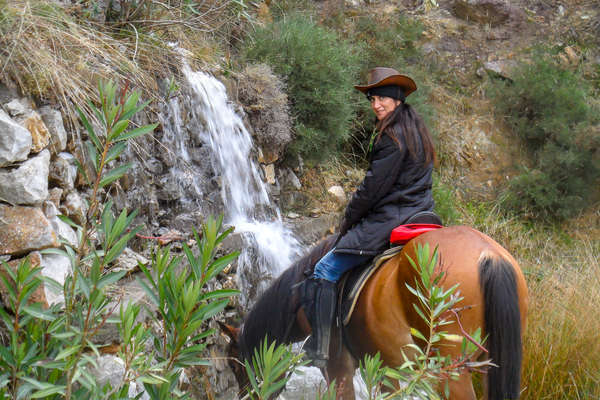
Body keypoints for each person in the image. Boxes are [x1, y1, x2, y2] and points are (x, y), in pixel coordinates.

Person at [304, 67, 437, 367]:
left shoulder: (391, 136)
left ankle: (322, 348)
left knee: (324, 270)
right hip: (421, 210)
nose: (377, 104)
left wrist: (348, 219)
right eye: (373, 99)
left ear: (398, 100)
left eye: (383, 98)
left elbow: (372, 189)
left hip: (393, 216)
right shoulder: (417, 130)